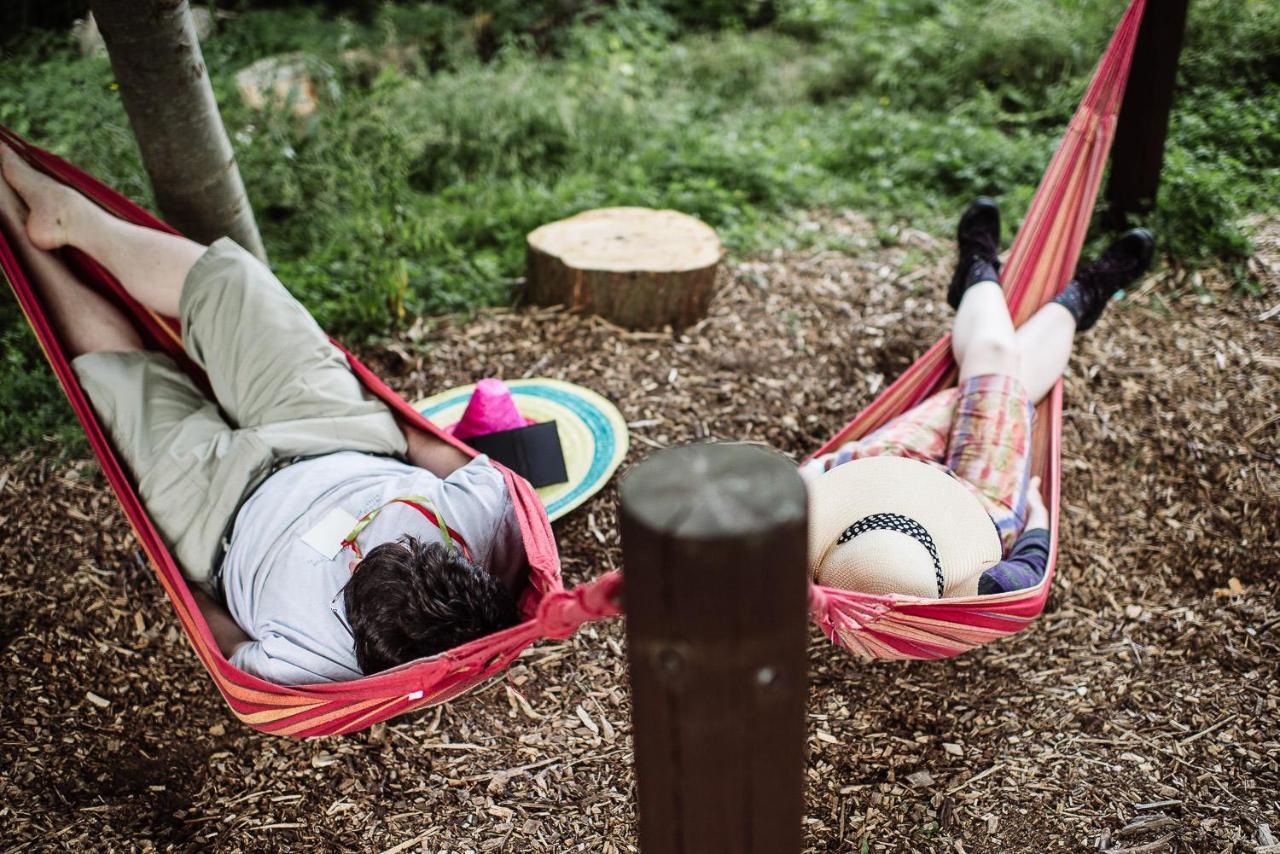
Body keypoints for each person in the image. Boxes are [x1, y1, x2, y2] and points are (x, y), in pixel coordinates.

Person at [0, 145, 526, 685]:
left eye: (358, 556)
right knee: (229, 279)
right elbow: (440, 451)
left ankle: (16, 235)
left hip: (214, 513)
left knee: (118, 377)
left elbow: (227, 644)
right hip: (333, 428)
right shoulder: (485, 526)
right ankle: (75, 221)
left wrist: (185, 582)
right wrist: (385, 422)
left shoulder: (316, 667)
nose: (363, 540)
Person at [802, 198, 1153, 598]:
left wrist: (810, 477)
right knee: (998, 361)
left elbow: (775, 496)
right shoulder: (984, 585)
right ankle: (1040, 287)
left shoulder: (793, 540)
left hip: (870, 477)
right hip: (978, 513)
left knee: (992, 377)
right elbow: (1030, 571)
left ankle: (1037, 291)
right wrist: (1037, 518)